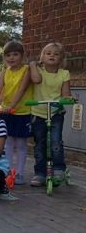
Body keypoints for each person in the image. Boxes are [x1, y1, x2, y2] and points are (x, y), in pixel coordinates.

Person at [29, 42, 71, 187]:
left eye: (56, 54)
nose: (52, 55)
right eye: (48, 53)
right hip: (38, 112)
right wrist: (33, 65)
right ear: (42, 57)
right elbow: (35, 80)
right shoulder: (38, 71)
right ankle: (40, 173)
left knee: (55, 142)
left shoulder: (64, 74)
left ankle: (58, 169)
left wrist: (68, 99)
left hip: (55, 112)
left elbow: (66, 94)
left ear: (61, 58)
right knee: (40, 144)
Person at [0, 40, 32, 185]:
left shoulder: (26, 70)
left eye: (15, 54)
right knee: (8, 143)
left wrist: (12, 105)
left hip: (22, 111)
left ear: (22, 55)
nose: (12, 58)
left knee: (21, 144)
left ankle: (20, 174)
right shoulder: (5, 71)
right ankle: (7, 171)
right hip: (6, 111)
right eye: (8, 55)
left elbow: (22, 90)